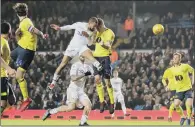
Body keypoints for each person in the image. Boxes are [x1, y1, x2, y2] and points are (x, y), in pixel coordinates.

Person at [11, 3, 49, 111]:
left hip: (26, 51)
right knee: (6, 59)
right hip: (20, 48)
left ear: (17, 13)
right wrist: (17, 34)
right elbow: (25, 35)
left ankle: (26, 98)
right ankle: (7, 80)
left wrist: (42, 34)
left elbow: (33, 30)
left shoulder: (26, 22)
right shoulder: (23, 22)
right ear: (26, 12)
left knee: (19, 76)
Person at [48, 17, 103, 90]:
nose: (94, 27)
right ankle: (53, 82)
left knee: (88, 52)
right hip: (72, 47)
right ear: (90, 23)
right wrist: (59, 28)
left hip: (82, 47)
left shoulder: (94, 32)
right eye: (94, 26)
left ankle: (97, 64)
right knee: (63, 64)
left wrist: (88, 37)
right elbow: (70, 27)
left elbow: (90, 44)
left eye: (96, 26)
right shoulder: (79, 25)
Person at [42, 56, 93, 126]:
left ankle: (82, 122)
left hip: (81, 90)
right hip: (73, 89)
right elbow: (73, 78)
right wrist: (84, 74)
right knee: (70, 108)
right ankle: (50, 111)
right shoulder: (75, 65)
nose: (83, 56)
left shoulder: (88, 67)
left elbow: (92, 77)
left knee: (88, 105)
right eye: (81, 54)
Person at [92, 18, 115, 114]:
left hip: (105, 58)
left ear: (101, 25)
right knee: (97, 79)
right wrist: (93, 33)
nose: (97, 29)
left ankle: (112, 102)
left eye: (97, 27)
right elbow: (92, 42)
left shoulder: (110, 32)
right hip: (96, 58)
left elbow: (108, 46)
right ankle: (102, 101)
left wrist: (102, 43)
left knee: (107, 82)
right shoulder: (97, 32)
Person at [169, 53, 194, 126]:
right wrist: (168, 85)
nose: (175, 59)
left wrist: (193, 80)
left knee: (188, 104)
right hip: (179, 90)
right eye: (174, 58)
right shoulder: (171, 69)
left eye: (177, 58)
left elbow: (193, 71)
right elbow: (172, 79)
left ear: (180, 59)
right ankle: (183, 116)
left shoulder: (185, 66)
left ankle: (189, 118)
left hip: (187, 88)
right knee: (176, 104)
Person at [1, 22, 17, 114]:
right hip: (1, 75)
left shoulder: (5, 41)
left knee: (12, 100)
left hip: (4, 75)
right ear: (9, 31)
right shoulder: (2, 41)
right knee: (3, 103)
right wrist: (9, 69)